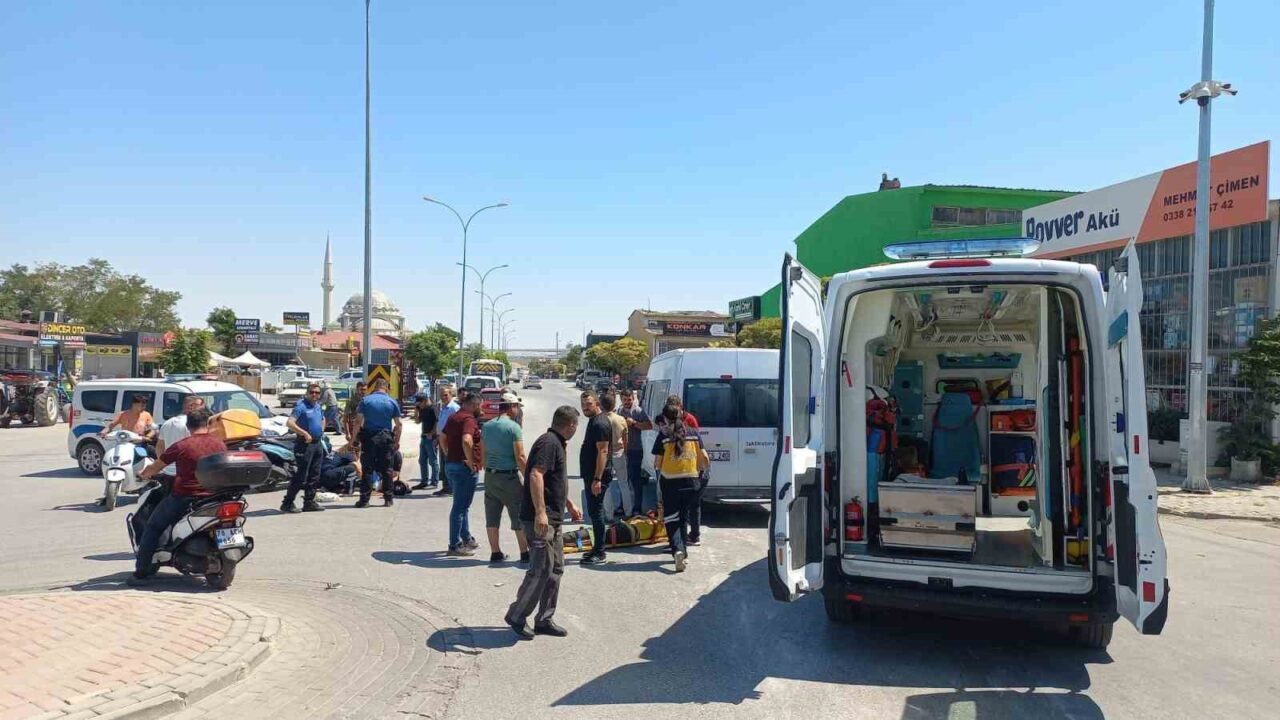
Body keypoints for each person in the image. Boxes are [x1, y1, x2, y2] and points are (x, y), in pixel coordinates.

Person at [505, 405, 583, 639]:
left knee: (556, 568)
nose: (575, 430)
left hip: (554, 519)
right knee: (541, 569)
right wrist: (540, 512)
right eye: (575, 426)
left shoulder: (556, 442)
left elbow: (552, 480)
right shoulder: (549, 443)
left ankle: (544, 619)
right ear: (570, 425)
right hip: (541, 520)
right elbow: (536, 475)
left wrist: (568, 503)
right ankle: (517, 615)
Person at [129, 408, 225, 584]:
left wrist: (143, 474)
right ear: (208, 424)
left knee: (153, 526)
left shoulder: (182, 446)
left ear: (188, 426)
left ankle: (141, 572)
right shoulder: (219, 444)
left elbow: (156, 467)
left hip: (185, 497)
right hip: (215, 496)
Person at [654, 404, 710, 573]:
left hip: (670, 483)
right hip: (692, 482)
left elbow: (657, 463)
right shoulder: (693, 433)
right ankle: (683, 552)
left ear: (665, 418)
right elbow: (705, 458)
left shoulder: (663, 436)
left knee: (672, 519)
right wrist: (700, 472)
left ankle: (678, 550)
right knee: (683, 517)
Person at [481, 392, 529, 564]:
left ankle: (495, 552)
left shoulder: (487, 426)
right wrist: (528, 478)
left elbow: (484, 453)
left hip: (490, 476)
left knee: (492, 516)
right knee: (517, 515)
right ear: (512, 407)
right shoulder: (514, 428)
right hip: (509, 477)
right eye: (517, 407)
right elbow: (521, 456)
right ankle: (524, 552)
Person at [651, 394, 704, 543]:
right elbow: (702, 453)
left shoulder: (684, 425)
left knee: (675, 514)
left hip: (672, 476)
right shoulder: (666, 425)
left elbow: (657, 462)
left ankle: (684, 541)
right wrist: (700, 470)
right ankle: (682, 544)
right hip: (690, 475)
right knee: (683, 512)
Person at [443, 391, 484, 555]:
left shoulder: (454, 416)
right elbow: (467, 439)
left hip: (451, 465)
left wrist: (447, 452)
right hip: (463, 468)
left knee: (462, 504)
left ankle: (466, 537)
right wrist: (470, 460)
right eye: (479, 406)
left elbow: (441, 436)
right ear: (474, 405)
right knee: (460, 507)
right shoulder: (468, 419)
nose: (480, 409)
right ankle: (454, 545)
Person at [354, 378, 403, 508]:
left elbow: (358, 421)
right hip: (386, 438)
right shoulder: (392, 402)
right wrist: (396, 441)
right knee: (387, 469)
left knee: (368, 469)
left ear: (375, 387)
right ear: (386, 388)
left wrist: (353, 439)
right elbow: (399, 424)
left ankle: (364, 500)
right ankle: (388, 499)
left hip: (369, 438)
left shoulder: (365, 401)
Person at [578, 391, 613, 566]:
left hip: (597, 476)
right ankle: (596, 548)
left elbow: (603, 451)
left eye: (589, 404)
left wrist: (597, 479)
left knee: (597, 513)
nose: (585, 407)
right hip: (591, 475)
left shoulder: (600, 423)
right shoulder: (594, 421)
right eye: (583, 404)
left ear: (597, 403)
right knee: (593, 512)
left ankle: (600, 552)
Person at [282, 383, 326, 513]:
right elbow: (290, 423)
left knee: (315, 474)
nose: (314, 395)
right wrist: (304, 433)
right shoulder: (301, 407)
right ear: (307, 393)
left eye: (317, 393)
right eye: (312, 392)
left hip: (317, 443)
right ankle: (287, 503)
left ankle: (309, 502)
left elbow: (323, 419)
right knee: (301, 475)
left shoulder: (318, 406)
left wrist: (321, 430)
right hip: (304, 444)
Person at [155, 393, 205, 481]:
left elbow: (159, 447)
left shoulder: (167, 423)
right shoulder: (192, 425)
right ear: (191, 406)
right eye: (201, 406)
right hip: (185, 473)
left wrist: (165, 466)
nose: (203, 410)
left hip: (168, 473)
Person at [618, 388, 652, 513]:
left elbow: (649, 425)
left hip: (635, 450)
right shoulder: (619, 411)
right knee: (623, 479)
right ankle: (623, 506)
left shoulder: (638, 411)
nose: (627, 402)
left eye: (629, 399)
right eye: (625, 400)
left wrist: (634, 423)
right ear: (621, 399)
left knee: (636, 480)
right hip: (622, 450)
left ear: (633, 399)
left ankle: (637, 507)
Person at [601, 391, 632, 519]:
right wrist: (625, 453)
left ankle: (609, 515)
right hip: (619, 453)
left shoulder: (600, 420)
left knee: (606, 486)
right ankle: (628, 512)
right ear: (614, 405)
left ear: (602, 405)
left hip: (605, 455)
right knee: (624, 484)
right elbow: (626, 440)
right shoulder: (621, 419)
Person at [434, 386, 460, 497]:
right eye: (442, 395)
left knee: (449, 464)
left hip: (449, 440)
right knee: (444, 464)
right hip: (441, 439)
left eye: (446, 395)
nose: (443, 397)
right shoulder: (443, 407)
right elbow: (440, 424)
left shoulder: (454, 408)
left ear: (451, 395)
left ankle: (451, 487)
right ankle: (446, 487)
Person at [412, 391, 441, 490]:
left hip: (431, 438)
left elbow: (437, 422)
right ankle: (424, 481)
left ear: (424, 400)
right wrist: (416, 410)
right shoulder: (422, 409)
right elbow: (417, 421)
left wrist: (432, 433)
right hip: (424, 437)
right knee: (422, 460)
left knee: (433, 461)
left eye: (419, 402)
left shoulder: (433, 409)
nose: (418, 404)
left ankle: (434, 481)